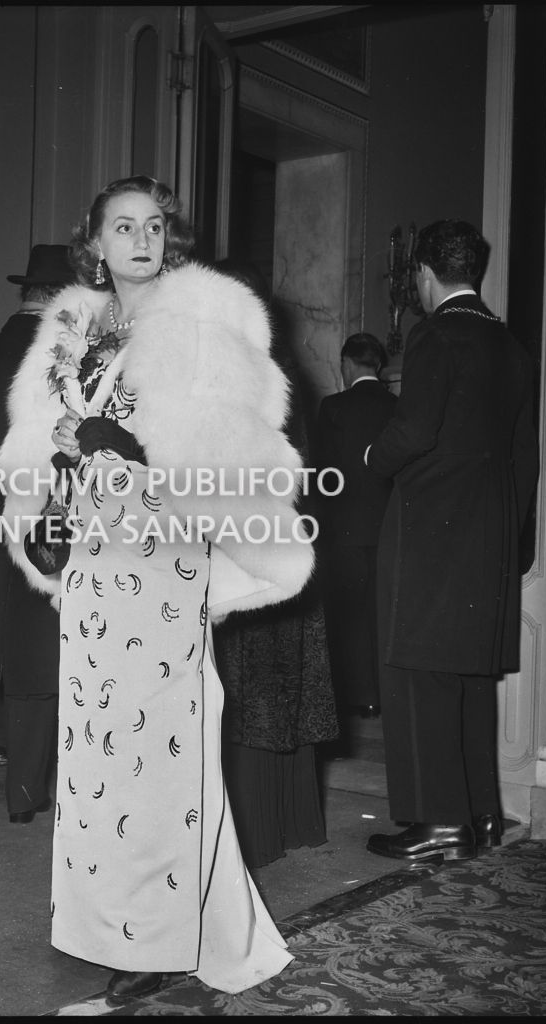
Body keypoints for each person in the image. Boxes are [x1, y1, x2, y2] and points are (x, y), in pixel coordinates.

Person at [0, 176, 314, 1005]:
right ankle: (127, 924)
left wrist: (126, 445)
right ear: (93, 243)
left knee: (159, 752)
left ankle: (157, 937)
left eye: (154, 225)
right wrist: (56, 484)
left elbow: (226, 451)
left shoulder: (204, 319)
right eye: (122, 226)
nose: (141, 238)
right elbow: (41, 439)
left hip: (164, 555)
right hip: (95, 565)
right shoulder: (74, 328)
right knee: (101, 751)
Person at [365, 220, 539, 863]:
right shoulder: (511, 348)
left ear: (424, 274)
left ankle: (439, 822)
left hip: (430, 530)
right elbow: (526, 457)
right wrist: (511, 542)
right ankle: (481, 817)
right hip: (488, 537)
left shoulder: (435, 335)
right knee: (466, 680)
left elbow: (412, 433)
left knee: (418, 676)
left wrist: (369, 457)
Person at [211, 259, 337, 870]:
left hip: (248, 542)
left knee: (247, 689)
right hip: (281, 540)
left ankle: (254, 833)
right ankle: (286, 823)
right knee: (271, 689)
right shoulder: (280, 367)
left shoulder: (237, 372)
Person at [0, 244, 77, 822]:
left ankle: (15, 769)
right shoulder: (64, 355)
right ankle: (63, 782)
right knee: (60, 645)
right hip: (59, 513)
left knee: (3, 630)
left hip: (5, 508)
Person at [316, 332, 397, 719]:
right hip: (387, 529)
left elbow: (321, 475)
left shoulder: (333, 407)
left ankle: (357, 697)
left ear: (347, 364)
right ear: (377, 367)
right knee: (383, 613)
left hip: (343, 529)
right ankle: (382, 694)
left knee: (348, 616)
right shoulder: (398, 407)